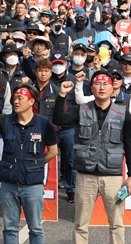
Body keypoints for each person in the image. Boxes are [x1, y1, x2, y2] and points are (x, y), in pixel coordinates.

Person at [54, 70, 131, 244]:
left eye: (105, 83)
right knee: (80, 224)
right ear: (91, 88)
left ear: (112, 87)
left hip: (112, 176)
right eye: (97, 84)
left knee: (116, 224)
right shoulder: (81, 110)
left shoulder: (123, 114)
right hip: (86, 176)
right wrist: (62, 95)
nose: (101, 87)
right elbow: (60, 119)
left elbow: (129, 145)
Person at [0, 84, 58, 244]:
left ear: (31, 102)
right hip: (8, 184)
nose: (15, 101)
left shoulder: (44, 123)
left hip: (32, 185)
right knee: (10, 228)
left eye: (20, 98)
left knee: (35, 228)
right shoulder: (5, 120)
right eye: (14, 98)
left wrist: (35, 165)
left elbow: (53, 151)